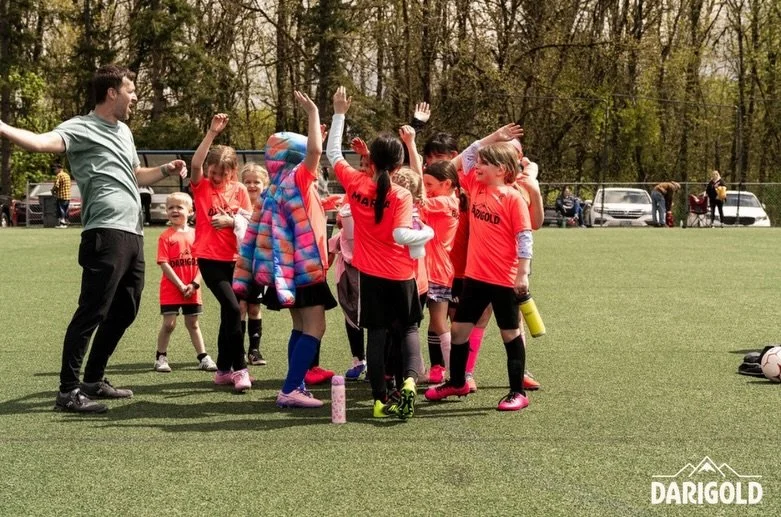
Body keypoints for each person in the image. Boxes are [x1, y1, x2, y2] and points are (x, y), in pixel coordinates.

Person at [0, 64, 187, 413]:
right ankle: (68, 390)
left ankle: (93, 379)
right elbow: (42, 143)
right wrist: (3, 126)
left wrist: (165, 169)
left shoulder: (125, 132)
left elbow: (136, 174)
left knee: (126, 309)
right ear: (112, 92)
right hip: (104, 232)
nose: (134, 97)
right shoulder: (81, 127)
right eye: (130, 90)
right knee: (92, 311)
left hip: (133, 232)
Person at [326, 86, 431, 419]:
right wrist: (427, 232)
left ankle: (379, 400)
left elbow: (333, 155)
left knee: (377, 334)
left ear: (369, 158)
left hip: (370, 276)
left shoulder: (356, 185)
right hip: (402, 276)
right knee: (410, 330)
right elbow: (402, 234)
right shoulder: (401, 194)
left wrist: (339, 112)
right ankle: (411, 385)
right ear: (399, 163)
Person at [234, 91, 337, 409]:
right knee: (316, 327)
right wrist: (313, 111)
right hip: (305, 270)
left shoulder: (278, 185)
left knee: (300, 326)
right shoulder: (297, 179)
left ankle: (297, 384)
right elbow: (317, 151)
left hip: (288, 270)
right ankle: (292, 387)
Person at [425, 124, 534, 412]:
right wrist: (491, 138)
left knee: (510, 334)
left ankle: (517, 392)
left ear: (502, 169)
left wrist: (523, 273)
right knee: (459, 330)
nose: (478, 166)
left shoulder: (513, 198)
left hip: (504, 280)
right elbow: (457, 161)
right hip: (474, 277)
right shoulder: (475, 186)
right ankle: (458, 381)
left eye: (486, 163)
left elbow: (525, 237)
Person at [190, 114, 253, 393]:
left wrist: (232, 221)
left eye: (221, 174)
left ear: (232, 172)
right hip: (209, 259)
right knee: (232, 308)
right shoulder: (202, 186)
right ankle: (240, 369)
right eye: (213, 172)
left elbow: (249, 221)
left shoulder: (239, 190)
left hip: (235, 260)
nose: (216, 178)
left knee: (230, 314)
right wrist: (212, 133)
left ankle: (223, 370)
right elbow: (195, 164)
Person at [154, 192, 217, 373]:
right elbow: (163, 263)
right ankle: (161, 357)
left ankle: (203, 357)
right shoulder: (165, 237)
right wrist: (181, 285)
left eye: (179, 207)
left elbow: (203, 263)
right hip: (171, 288)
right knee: (169, 324)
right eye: (170, 207)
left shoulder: (197, 235)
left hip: (192, 288)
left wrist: (194, 284)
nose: (174, 210)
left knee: (193, 323)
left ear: (190, 211)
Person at [238, 162, 269, 366]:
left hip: (259, 265)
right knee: (240, 307)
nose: (251, 186)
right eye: (247, 182)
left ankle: (254, 350)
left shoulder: (267, 207)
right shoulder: (237, 208)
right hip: (239, 265)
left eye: (256, 182)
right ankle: (238, 351)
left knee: (254, 308)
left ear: (264, 184)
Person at [52, 163, 71, 228]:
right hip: (68, 195)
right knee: (66, 209)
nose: (54, 171)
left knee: (61, 209)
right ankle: (64, 223)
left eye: (55, 169)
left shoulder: (59, 175)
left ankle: (62, 222)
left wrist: (53, 190)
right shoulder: (67, 175)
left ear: (59, 169)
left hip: (61, 195)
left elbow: (56, 185)